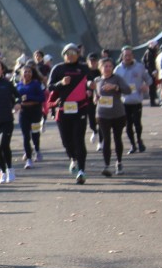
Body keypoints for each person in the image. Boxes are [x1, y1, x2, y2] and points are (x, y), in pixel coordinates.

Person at [47, 43, 93, 184]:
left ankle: (81, 171)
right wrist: (61, 83)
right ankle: (73, 158)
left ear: (78, 55)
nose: (70, 56)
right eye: (68, 53)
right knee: (66, 141)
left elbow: (91, 80)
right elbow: (50, 87)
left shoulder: (84, 68)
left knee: (79, 139)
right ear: (63, 55)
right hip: (63, 110)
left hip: (80, 108)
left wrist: (90, 87)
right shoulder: (58, 69)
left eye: (73, 53)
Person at [94, 58, 131, 176]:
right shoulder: (97, 80)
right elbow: (96, 95)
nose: (108, 68)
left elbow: (128, 90)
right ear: (100, 68)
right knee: (106, 139)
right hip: (102, 114)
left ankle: (119, 162)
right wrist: (95, 98)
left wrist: (115, 87)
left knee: (117, 138)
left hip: (117, 114)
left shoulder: (117, 78)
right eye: (105, 66)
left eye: (110, 66)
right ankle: (106, 165)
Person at [114, 46, 151, 154]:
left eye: (130, 55)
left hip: (136, 101)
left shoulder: (139, 67)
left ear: (133, 56)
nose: (128, 57)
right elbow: (113, 83)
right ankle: (132, 145)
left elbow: (149, 79)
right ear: (122, 56)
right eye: (126, 55)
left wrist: (146, 86)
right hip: (124, 102)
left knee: (137, 123)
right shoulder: (118, 69)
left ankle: (139, 140)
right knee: (128, 124)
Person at [16, 65, 46, 167]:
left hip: (35, 113)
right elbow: (15, 98)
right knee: (26, 136)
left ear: (32, 73)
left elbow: (42, 98)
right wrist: (18, 102)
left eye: (29, 72)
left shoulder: (36, 84)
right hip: (23, 113)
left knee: (35, 134)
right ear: (21, 74)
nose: (27, 74)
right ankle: (28, 158)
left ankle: (37, 150)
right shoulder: (18, 85)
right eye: (25, 72)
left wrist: (29, 98)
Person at [85, 52, 102, 147]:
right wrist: (86, 91)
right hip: (89, 100)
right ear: (87, 62)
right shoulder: (84, 72)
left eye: (94, 61)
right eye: (91, 61)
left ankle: (101, 142)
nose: (92, 63)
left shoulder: (101, 71)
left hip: (101, 99)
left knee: (101, 120)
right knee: (91, 121)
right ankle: (94, 131)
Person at [142, 41, 160, 107]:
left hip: (151, 72)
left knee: (153, 87)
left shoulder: (152, 52)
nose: (157, 47)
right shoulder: (149, 52)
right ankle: (152, 102)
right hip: (150, 73)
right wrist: (153, 71)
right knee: (152, 87)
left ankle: (153, 101)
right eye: (156, 45)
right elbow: (149, 63)